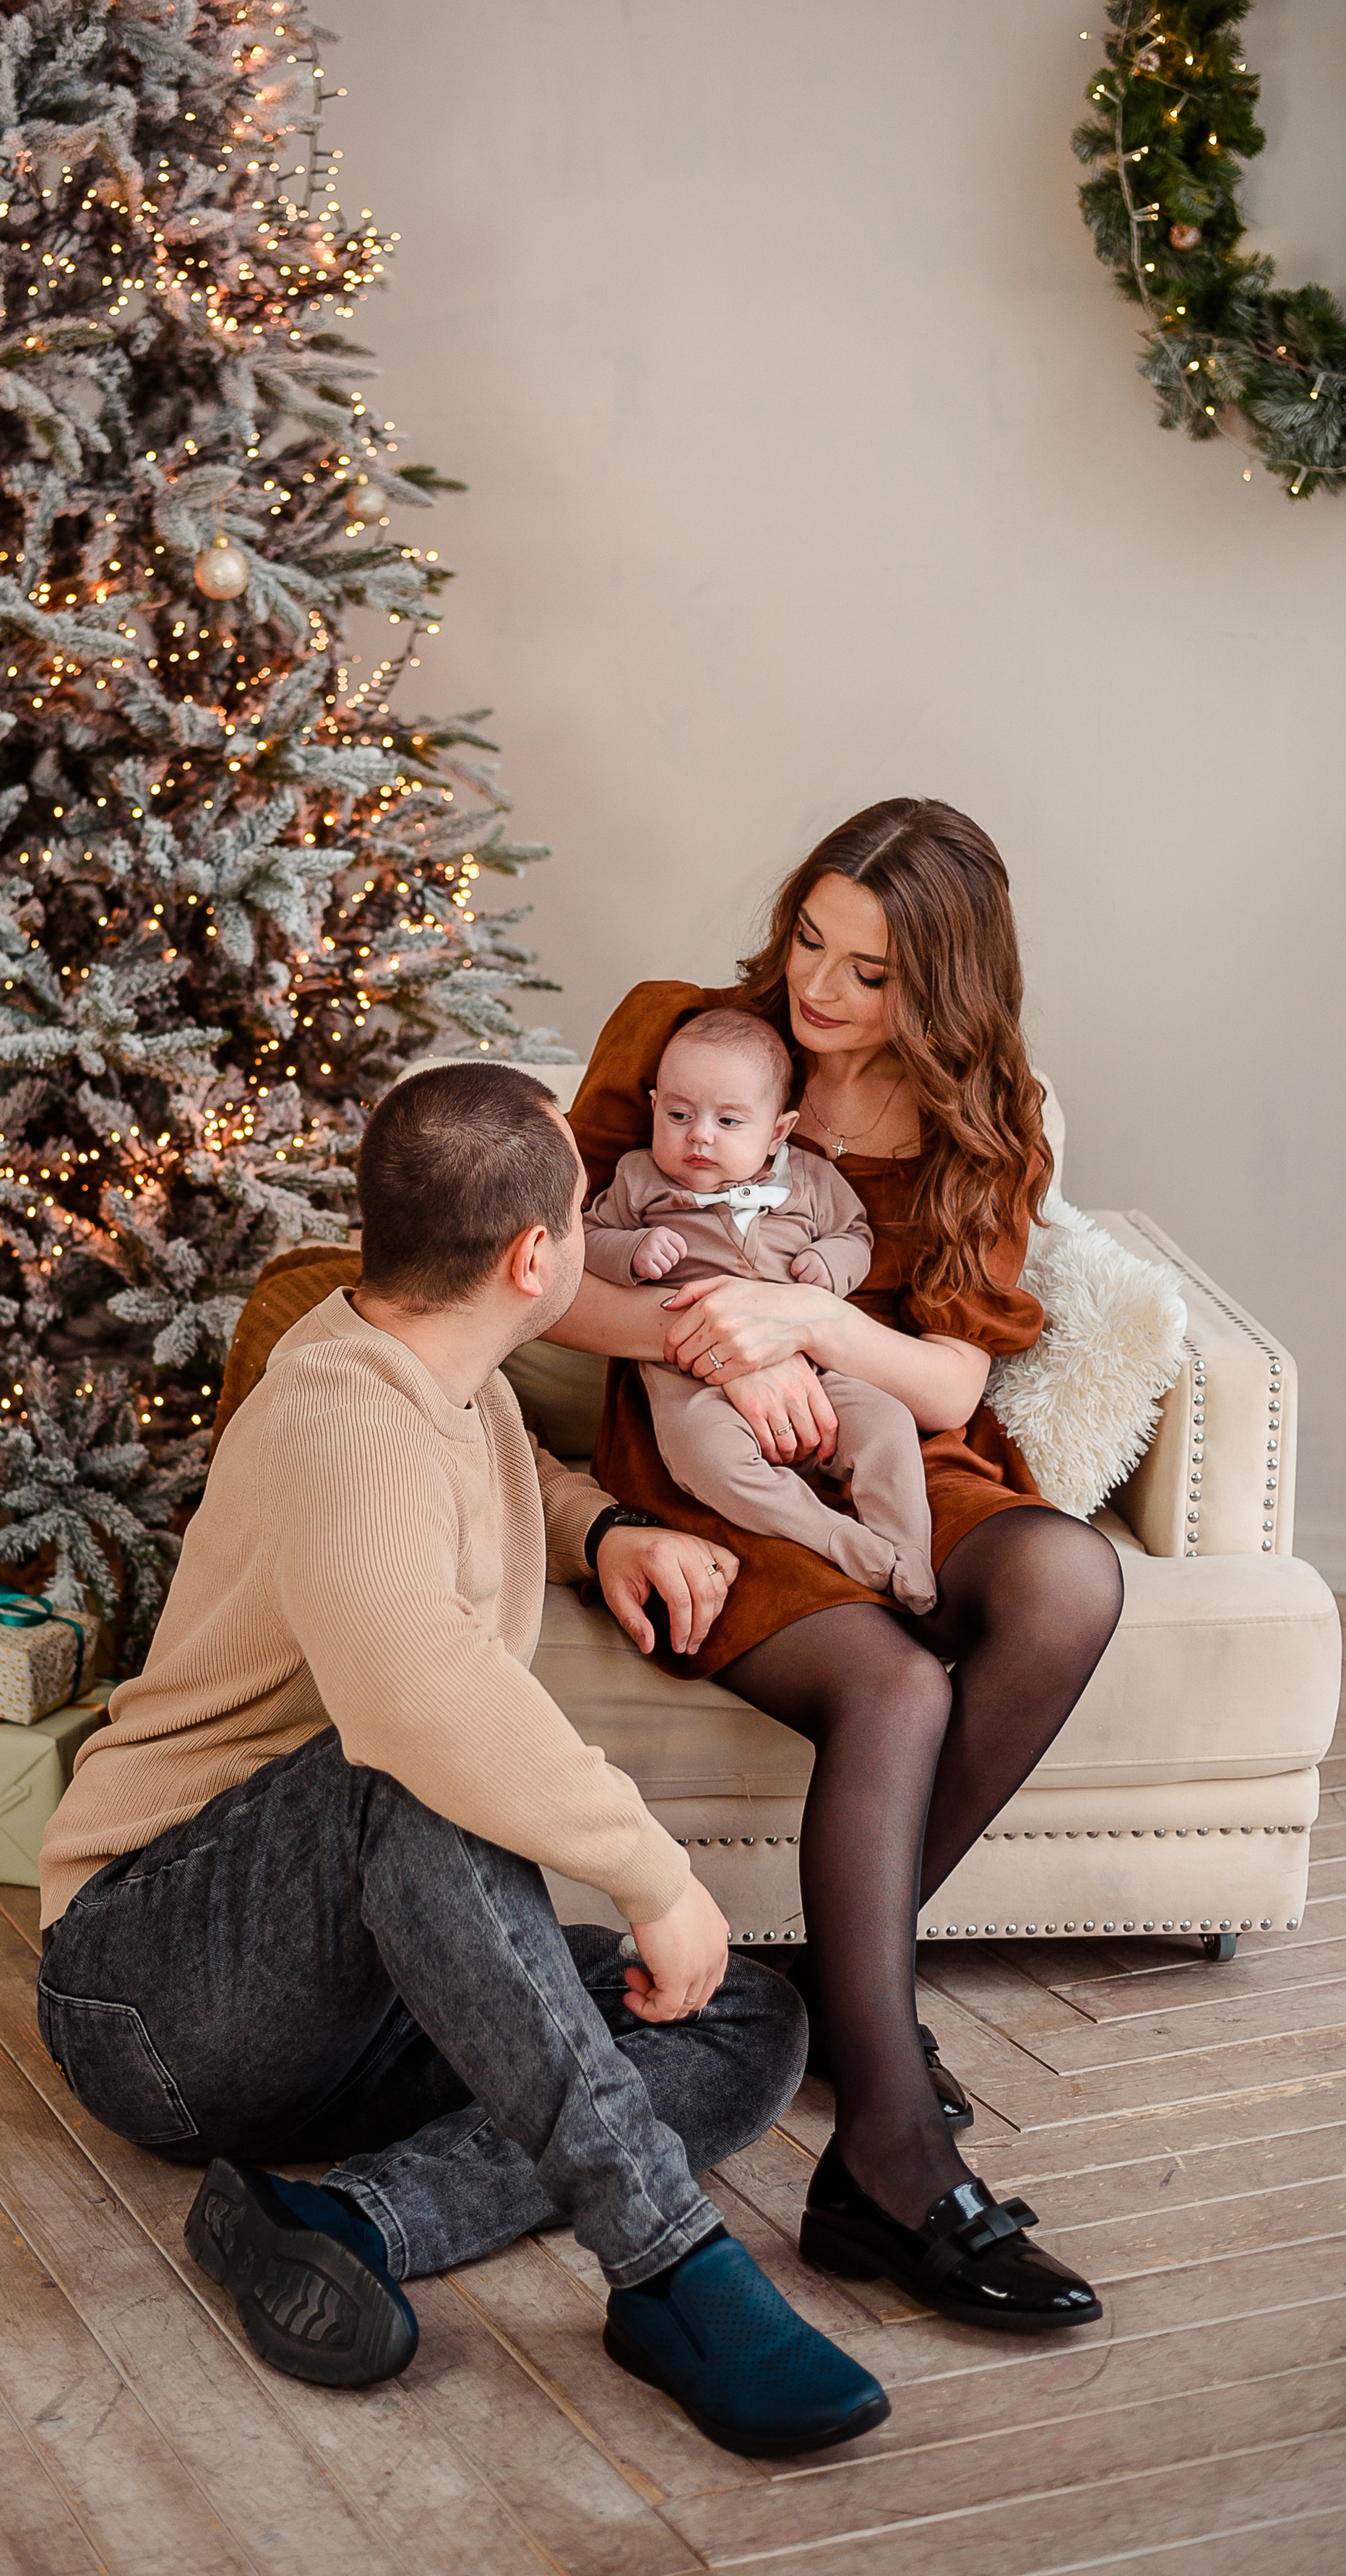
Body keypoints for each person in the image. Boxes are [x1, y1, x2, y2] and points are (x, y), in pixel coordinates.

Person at [38, 1061, 888, 2457]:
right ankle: (667, 2265)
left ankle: (346, 2220)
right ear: (537, 1258)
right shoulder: (341, 1409)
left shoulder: (436, 1358)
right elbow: (416, 1698)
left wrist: (604, 1531)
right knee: (420, 1769)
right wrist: (652, 1874)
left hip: (346, 1988)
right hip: (152, 1983)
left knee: (747, 2026)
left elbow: (478, 1472)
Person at [548, 798, 1118, 2334]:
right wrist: (710, 1336)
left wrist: (803, 1323)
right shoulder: (682, 1040)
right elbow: (538, 1281)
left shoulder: (992, 1116)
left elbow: (947, 1390)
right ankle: (889, 2149)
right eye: (808, 938)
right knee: (888, 1685)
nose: (819, 990)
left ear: (938, 987)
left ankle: (828, 2016)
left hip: (885, 1436)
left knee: (1069, 1580)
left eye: (867, 972)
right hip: (704, 1456)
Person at [583, 1008, 935, 1612]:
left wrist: (831, 1265)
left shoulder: (813, 1180)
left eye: (728, 1120)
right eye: (678, 1114)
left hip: (810, 1372)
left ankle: (910, 1556)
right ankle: (834, 1537)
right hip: (691, 1385)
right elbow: (585, 1241)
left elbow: (856, 1234)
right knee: (708, 1457)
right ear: (653, 1106)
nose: (699, 1136)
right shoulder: (639, 1178)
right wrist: (631, 1250)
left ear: (777, 1131)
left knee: (888, 1424)